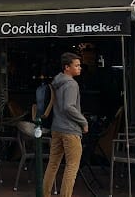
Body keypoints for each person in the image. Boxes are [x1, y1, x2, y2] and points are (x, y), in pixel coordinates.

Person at [42, 52, 88, 197]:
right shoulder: (71, 84)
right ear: (67, 67)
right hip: (71, 130)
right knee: (71, 167)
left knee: (53, 163)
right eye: (77, 65)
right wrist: (83, 121)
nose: (80, 68)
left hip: (57, 128)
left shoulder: (57, 82)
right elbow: (69, 107)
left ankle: (45, 194)